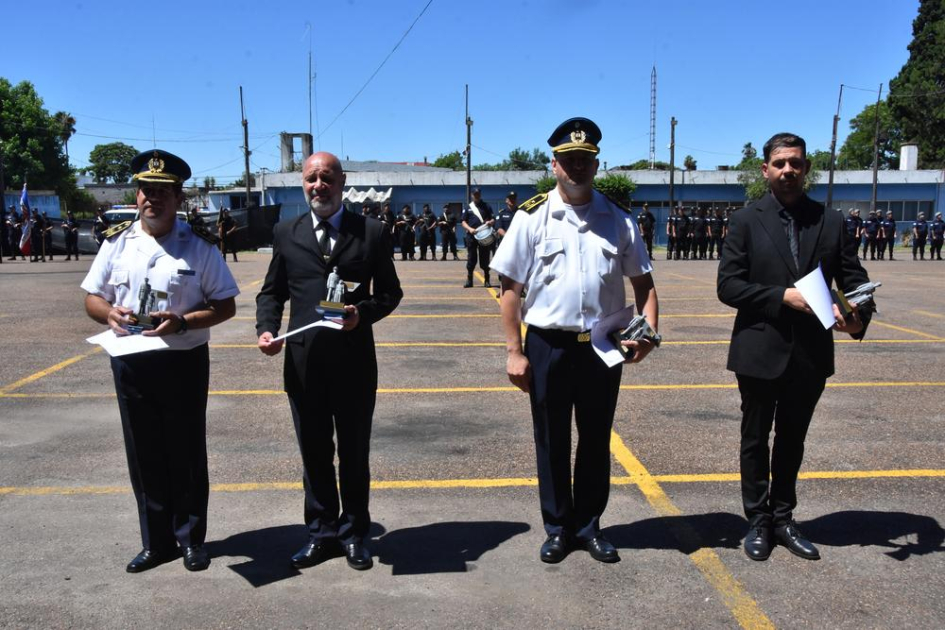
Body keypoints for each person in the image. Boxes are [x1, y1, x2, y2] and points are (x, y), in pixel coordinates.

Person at [491, 117, 659, 565]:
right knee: (550, 438)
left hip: (603, 345)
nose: (577, 168)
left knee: (595, 437)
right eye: (569, 161)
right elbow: (509, 289)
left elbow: (644, 284)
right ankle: (558, 528)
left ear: (596, 165)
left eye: (585, 160)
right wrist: (514, 352)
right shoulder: (531, 217)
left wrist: (648, 334)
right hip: (548, 345)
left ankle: (588, 526)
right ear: (555, 165)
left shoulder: (619, 219)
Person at [80, 149, 239, 573]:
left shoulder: (200, 247)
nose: (154, 199)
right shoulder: (116, 243)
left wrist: (184, 321)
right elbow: (94, 298)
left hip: (182, 361)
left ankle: (191, 541)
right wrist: (109, 314)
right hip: (131, 361)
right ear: (137, 196)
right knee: (143, 452)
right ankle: (156, 543)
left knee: (186, 452)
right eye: (147, 191)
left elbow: (225, 306)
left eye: (163, 192)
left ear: (179, 197)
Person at [717, 133, 871, 562]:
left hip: (810, 352)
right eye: (780, 163)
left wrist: (859, 313)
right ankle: (757, 522)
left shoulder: (832, 221)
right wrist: (783, 297)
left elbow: (854, 279)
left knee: (792, 439)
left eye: (796, 163)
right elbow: (728, 286)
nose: (788, 170)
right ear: (765, 169)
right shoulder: (745, 220)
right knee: (755, 439)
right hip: (759, 349)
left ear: (806, 169)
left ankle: (784, 519)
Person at [256, 151, 402, 572]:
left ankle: (355, 533)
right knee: (315, 454)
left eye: (326, 178)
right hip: (304, 365)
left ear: (342, 183)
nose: (318, 185)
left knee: (354, 454)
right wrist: (266, 329)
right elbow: (272, 293)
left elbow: (390, 293)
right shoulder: (287, 232)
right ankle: (321, 533)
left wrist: (363, 314)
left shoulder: (371, 232)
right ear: (303, 183)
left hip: (354, 363)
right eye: (310, 178)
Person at [461, 188, 495, 287]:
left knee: (485, 257)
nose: (476, 196)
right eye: (475, 194)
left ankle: (487, 280)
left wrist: (490, 222)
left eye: (478, 194)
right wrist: (470, 229)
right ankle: (469, 280)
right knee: (471, 257)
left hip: (484, 236)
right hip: (471, 236)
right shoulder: (468, 207)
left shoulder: (486, 206)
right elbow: (463, 221)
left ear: (480, 194)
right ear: (472, 195)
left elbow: (493, 219)